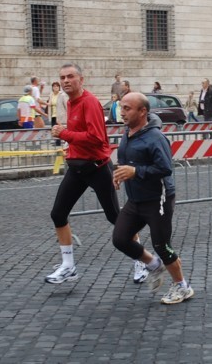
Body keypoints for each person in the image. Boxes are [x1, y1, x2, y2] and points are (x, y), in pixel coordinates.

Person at [47, 63, 148, 284]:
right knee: (58, 214)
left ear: (81, 80)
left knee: (116, 218)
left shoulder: (90, 102)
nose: (65, 81)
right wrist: (70, 147)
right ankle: (68, 266)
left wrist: (64, 134)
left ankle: (141, 260)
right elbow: (80, 135)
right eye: (62, 77)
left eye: (70, 76)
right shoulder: (70, 101)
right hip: (77, 167)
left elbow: (96, 138)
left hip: (97, 168)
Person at [112, 92, 194, 305]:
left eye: (127, 108)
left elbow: (165, 168)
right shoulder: (127, 133)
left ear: (143, 112)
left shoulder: (156, 137)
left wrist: (135, 171)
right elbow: (127, 161)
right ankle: (153, 265)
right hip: (135, 199)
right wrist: (120, 175)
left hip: (158, 199)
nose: (122, 112)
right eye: (122, 107)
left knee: (162, 245)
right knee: (120, 239)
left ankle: (182, 286)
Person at [48, 81, 69, 146]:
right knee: (54, 129)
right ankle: (57, 143)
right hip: (53, 115)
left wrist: (68, 114)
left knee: (61, 129)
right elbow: (49, 105)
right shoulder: (51, 95)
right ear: (52, 88)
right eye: (54, 86)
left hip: (60, 115)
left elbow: (66, 105)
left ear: (59, 87)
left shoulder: (62, 95)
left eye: (57, 86)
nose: (56, 87)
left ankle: (64, 143)